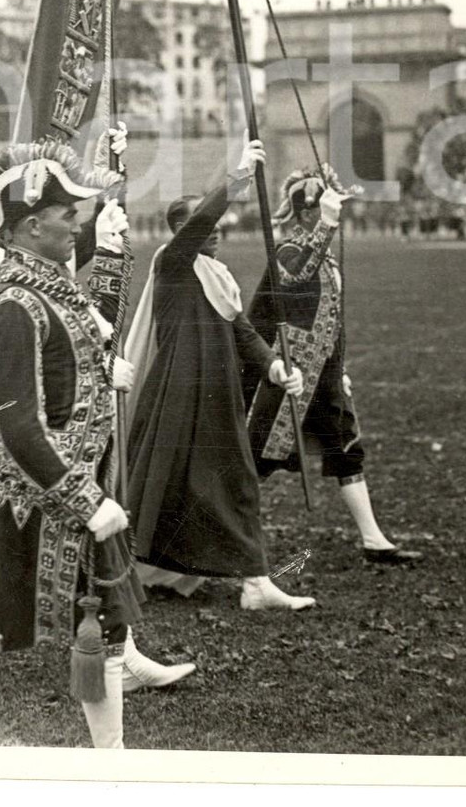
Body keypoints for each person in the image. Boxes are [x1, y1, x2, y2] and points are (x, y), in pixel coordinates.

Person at [0, 128, 194, 696]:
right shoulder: (4, 275)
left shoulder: (45, 261)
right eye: (66, 214)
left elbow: (85, 312)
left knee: (80, 543)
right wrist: (100, 356)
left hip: (53, 419)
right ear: (27, 223)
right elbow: (56, 329)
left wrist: (108, 236)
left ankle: (119, 657)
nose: (76, 224)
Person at [124, 136, 312, 613]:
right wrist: (239, 177)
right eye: (203, 226)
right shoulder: (172, 263)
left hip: (218, 394)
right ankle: (123, 571)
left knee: (234, 478)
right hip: (176, 394)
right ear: (180, 231)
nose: (215, 233)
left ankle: (255, 582)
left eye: (214, 227)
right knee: (162, 483)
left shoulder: (219, 276)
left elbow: (242, 331)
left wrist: (274, 366)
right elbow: (202, 221)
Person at [245, 165, 422, 567]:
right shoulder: (287, 252)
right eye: (321, 209)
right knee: (261, 457)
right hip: (289, 374)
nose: (331, 213)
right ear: (305, 212)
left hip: (323, 373)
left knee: (346, 446)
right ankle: (219, 532)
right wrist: (326, 224)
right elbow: (299, 272)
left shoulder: (326, 257)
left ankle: (373, 539)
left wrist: (338, 367)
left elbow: (332, 319)